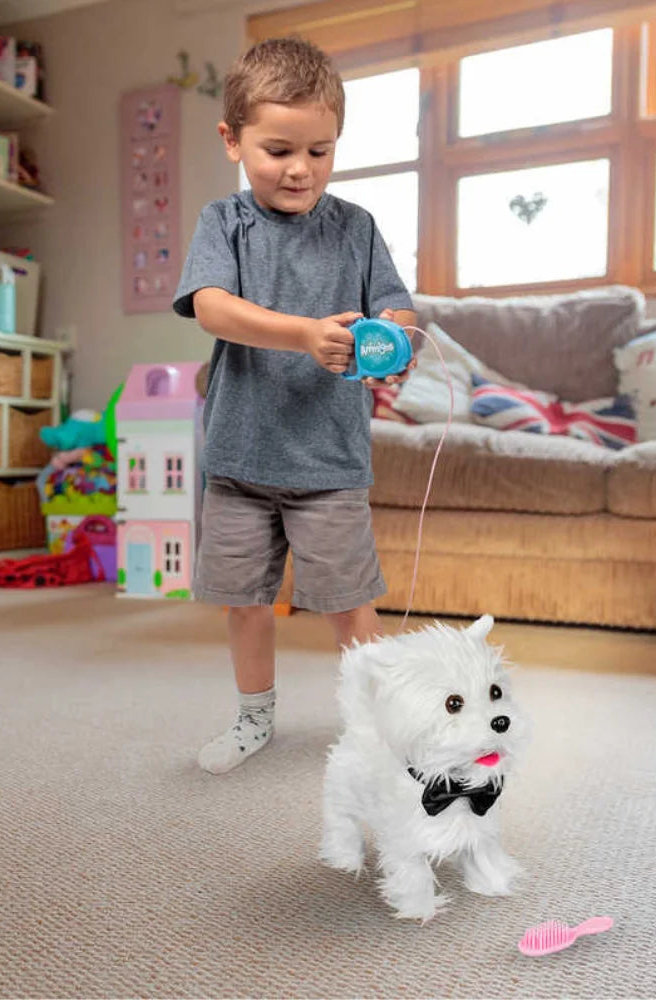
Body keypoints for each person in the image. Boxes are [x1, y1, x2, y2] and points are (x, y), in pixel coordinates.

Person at [172, 36, 416, 774]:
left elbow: (398, 310)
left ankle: (376, 728)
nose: (300, 168)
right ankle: (254, 718)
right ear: (232, 140)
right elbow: (212, 308)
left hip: (330, 462)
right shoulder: (225, 224)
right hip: (241, 459)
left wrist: (393, 340)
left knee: (349, 601)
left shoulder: (357, 228)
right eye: (278, 149)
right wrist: (305, 335)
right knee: (245, 601)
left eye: (321, 149)